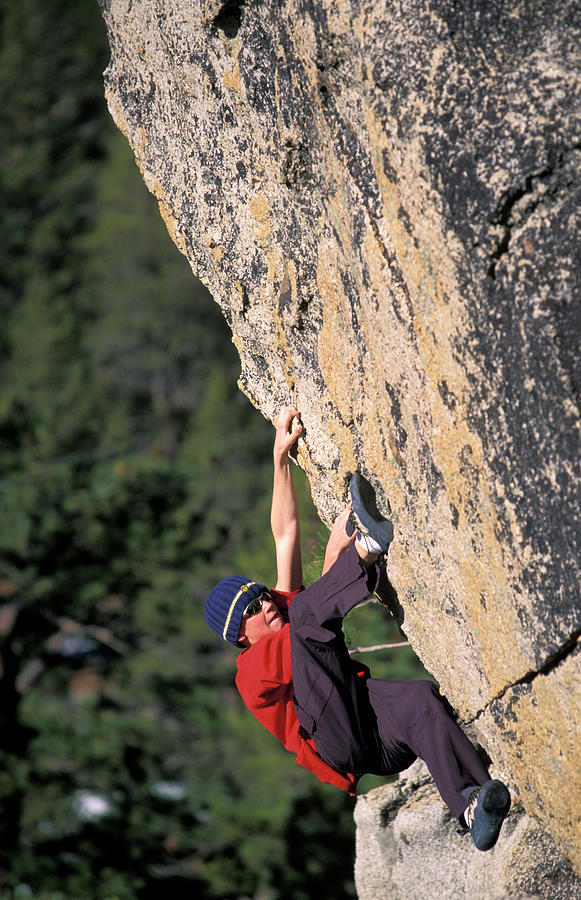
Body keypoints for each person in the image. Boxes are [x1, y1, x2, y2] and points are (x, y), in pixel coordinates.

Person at [204, 405, 511, 851]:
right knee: (308, 614)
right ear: (239, 636)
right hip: (339, 744)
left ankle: (471, 804)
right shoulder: (250, 673)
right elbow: (309, 625)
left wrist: (279, 462)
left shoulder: (288, 610)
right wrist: (340, 556)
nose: (265, 602)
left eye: (261, 593)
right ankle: (368, 550)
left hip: (378, 737)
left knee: (420, 699)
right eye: (251, 607)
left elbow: (285, 533)